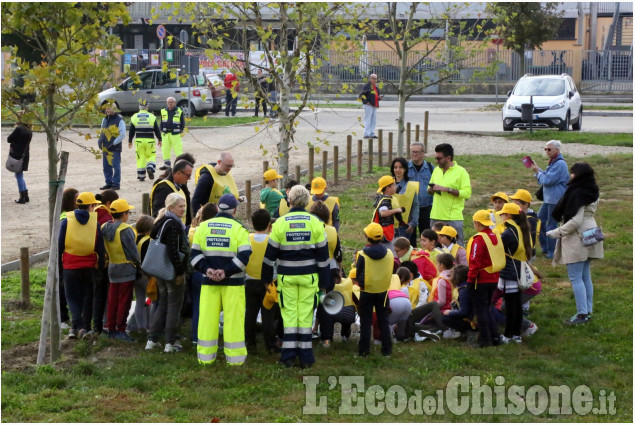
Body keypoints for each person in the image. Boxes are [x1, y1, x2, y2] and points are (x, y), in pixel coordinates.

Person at [261, 185, 331, 368]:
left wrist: (267, 279)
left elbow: (269, 257)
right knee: (306, 315)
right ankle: (306, 357)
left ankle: (288, 357)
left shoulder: (280, 224)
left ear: (289, 200)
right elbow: (324, 259)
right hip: (309, 278)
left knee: (290, 315)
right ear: (308, 202)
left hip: (287, 277)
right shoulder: (316, 223)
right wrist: (324, 283)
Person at [190, 194, 251, 364]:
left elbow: (194, 255)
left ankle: (205, 358)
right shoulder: (239, 229)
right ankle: (235, 360)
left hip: (209, 282)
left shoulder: (203, 227)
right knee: (234, 321)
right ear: (235, 210)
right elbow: (245, 255)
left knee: (207, 320)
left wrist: (207, 270)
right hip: (234, 283)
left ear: (217, 208)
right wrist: (226, 272)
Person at [547, 162, 603, 325]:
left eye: (573, 173)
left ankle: (581, 314)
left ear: (579, 175)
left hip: (578, 237)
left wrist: (556, 233)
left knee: (575, 277)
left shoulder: (578, 192)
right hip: (591, 232)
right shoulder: (592, 189)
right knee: (586, 276)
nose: (570, 176)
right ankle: (588, 310)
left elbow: (576, 220)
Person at [146, 193, 190, 353]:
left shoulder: (161, 221)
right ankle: (170, 342)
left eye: (184, 206)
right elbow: (173, 250)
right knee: (174, 306)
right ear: (171, 207)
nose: (183, 209)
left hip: (159, 271)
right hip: (171, 271)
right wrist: (179, 272)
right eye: (180, 206)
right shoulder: (173, 224)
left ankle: (152, 339)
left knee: (162, 304)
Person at [58, 192, 105, 340]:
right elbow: (100, 247)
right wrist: (101, 267)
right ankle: (85, 327)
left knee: (72, 297)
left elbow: (60, 245)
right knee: (87, 296)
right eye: (94, 205)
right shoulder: (95, 223)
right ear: (90, 206)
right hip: (89, 266)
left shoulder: (67, 220)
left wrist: (59, 267)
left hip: (70, 266)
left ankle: (74, 326)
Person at [101, 199, 140, 342]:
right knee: (125, 300)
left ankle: (110, 327)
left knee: (112, 300)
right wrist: (139, 265)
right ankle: (121, 329)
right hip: (126, 268)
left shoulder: (105, 227)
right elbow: (133, 252)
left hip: (112, 266)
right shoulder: (126, 229)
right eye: (128, 212)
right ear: (124, 214)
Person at [465, 210, 506, 347]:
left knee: (481, 310)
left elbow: (475, 261)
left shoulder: (479, 239)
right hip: (494, 277)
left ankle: (485, 340)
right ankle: (495, 337)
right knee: (488, 308)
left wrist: (470, 281)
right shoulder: (495, 236)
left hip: (480, 280)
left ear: (477, 222)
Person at [496, 202, 533, 343]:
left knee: (511, 306)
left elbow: (497, 248)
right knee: (516, 305)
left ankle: (508, 335)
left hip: (510, 271)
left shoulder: (508, 232)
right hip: (518, 269)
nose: (501, 217)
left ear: (509, 215)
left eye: (503, 214)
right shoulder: (519, 228)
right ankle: (516, 334)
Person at [244, 209, 280, 354]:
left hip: (250, 281)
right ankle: (270, 344)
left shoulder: (247, 238)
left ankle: (250, 342)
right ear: (269, 225)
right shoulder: (272, 240)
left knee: (250, 314)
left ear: (252, 224)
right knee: (268, 315)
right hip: (268, 283)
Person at [355, 223, 393, 357]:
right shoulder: (389, 253)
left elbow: (358, 271)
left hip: (366, 292)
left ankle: (364, 351)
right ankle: (387, 350)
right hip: (383, 291)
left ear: (367, 237)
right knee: (384, 320)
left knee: (366, 321)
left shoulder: (361, 254)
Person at [311, 201, 343, 348]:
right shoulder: (332, 231)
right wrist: (340, 271)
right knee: (326, 304)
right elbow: (338, 253)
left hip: (311, 270)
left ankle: (307, 333)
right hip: (329, 270)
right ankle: (326, 339)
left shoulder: (310, 228)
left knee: (309, 303)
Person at [530, 140, 568, 259]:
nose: (547, 151)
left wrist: (538, 173)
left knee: (552, 225)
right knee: (540, 220)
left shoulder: (560, 164)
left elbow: (547, 180)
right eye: (545, 149)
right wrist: (538, 169)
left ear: (557, 150)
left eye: (549, 149)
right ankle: (546, 248)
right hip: (549, 199)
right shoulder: (553, 162)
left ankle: (552, 252)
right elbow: (546, 176)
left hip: (555, 199)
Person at [427, 143, 472, 246]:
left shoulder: (461, 172)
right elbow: (428, 190)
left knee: (457, 247)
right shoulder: (436, 170)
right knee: (434, 246)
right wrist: (432, 189)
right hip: (435, 215)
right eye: (436, 158)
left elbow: (467, 193)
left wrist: (447, 189)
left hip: (453, 218)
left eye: (439, 158)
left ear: (448, 157)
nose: (437, 161)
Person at [187, 202, 217, 343]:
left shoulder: (192, 230)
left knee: (197, 305)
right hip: (206, 271)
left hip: (194, 271)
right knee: (207, 307)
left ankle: (195, 335)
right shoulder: (209, 231)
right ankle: (204, 336)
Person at [130, 214, 154, 334]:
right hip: (146, 275)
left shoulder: (134, 238)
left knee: (140, 300)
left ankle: (141, 326)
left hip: (136, 274)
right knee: (151, 300)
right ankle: (150, 325)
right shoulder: (148, 241)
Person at [150, 159, 193, 225]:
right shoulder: (163, 188)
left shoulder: (180, 186)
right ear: (179, 173)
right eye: (188, 175)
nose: (189, 178)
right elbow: (157, 214)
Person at [408, 142, 435, 244]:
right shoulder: (405, 168)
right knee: (410, 238)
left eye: (417, 152)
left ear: (423, 153)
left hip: (426, 207)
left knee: (427, 237)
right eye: (412, 152)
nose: (414, 154)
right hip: (410, 208)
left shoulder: (430, 168)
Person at [129, 99, 162, 181]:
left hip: (139, 140)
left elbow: (131, 130)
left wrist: (130, 140)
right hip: (149, 140)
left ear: (139, 107)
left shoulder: (134, 117)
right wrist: (159, 139)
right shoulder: (151, 117)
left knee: (140, 157)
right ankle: (150, 166)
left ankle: (141, 175)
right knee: (151, 155)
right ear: (147, 107)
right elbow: (156, 129)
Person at [391, 157, 420, 242]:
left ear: (405, 169)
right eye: (395, 167)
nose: (397, 170)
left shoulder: (410, 185)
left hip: (404, 225)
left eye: (400, 167)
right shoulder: (387, 184)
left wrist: (413, 223)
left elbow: (415, 205)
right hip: (389, 224)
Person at [98, 104, 126, 190]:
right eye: (106, 108)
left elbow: (122, 134)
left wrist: (114, 143)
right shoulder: (105, 119)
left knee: (115, 166)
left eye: (108, 108)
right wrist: (100, 140)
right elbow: (102, 130)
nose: (106, 110)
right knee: (106, 166)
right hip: (106, 146)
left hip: (115, 147)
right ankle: (108, 182)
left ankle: (116, 184)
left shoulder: (119, 120)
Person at [441, 264, 472, 339]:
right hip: (471, 318)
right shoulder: (466, 287)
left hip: (471, 322)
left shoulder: (463, 291)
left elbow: (464, 312)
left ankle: (461, 332)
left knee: (444, 318)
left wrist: (450, 312)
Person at [372, 175, 407, 243]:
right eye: (394, 185)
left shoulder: (381, 198)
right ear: (388, 188)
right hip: (386, 231)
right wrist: (397, 210)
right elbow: (383, 213)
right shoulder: (385, 200)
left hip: (388, 229)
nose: (396, 187)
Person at [510, 189, 541, 260]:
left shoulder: (530, 219)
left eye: (517, 204)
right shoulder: (518, 216)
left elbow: (530, 239)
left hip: (526, 254)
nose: (514, 206)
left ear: (526, 205)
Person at [7, 119, 32, 204]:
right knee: (19, 174)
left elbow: (9, 139)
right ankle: (25, 195)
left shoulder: (19, 129)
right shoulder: (29, 130)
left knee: (18, 175)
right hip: (25, 154)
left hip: (18, 154)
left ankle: (22, 197)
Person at [159, 97, 185, 170]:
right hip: (165, 133)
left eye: (171, 102)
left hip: (175, 133)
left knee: (178, 149)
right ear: (167, 103)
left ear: (175, 103)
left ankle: (180, 164)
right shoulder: (163, 111)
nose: (170, 104)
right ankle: (166, 165)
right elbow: (161, 121)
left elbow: (182, 121)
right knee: (165, 149)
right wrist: (160, 129)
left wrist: (181, 129)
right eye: (168, 102)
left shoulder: (179, 111)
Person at [359, 73, 383, 139]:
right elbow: (362, 95)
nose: (375, 80)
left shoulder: (375, 87)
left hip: (374, 104)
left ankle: (372, 133)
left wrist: (379, 98)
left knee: (373, 120)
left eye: (376, 79)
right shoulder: (367, 86)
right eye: (374, 79)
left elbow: (374, 96)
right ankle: (366, 133)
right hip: (368, 105)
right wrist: (365, 102)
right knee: (368, 119)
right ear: (371, 78)